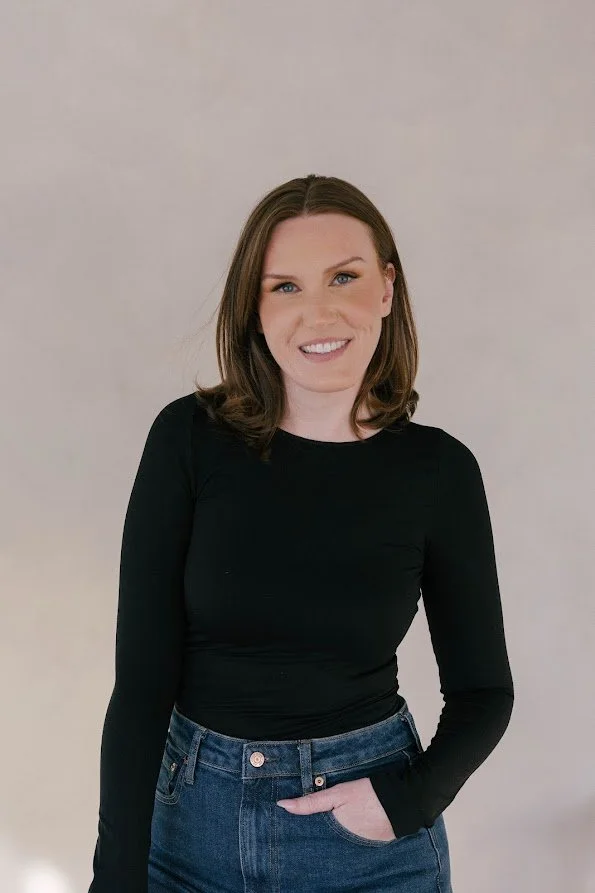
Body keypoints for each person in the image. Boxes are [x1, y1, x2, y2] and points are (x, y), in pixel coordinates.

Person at [88, 174, 514, 892]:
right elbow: (141, 684)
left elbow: (483, 691)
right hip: (187, 831)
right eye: (283, 286)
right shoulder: (188, 441)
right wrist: (115, 877)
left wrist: (404, 800)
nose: (317, 311)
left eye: (341, 277)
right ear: (254, 311)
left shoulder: (436, 471)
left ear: (384, 288)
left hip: (366, 840)